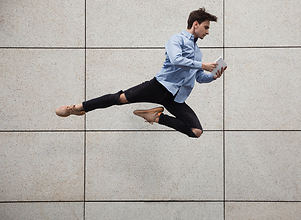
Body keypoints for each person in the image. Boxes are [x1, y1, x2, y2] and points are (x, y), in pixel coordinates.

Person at [56, 7, 226, 138]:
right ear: (195, 24)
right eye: (206, 27)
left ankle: (156, 117)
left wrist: (213, 76)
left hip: (176, 98)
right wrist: (202, 65)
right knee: (119, 98)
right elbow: (176, 60)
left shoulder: (198, 53)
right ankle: (77, 108)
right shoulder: (177, 39)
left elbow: (198, 77)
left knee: (196, 131)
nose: (208, 31)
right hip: (158, 87)